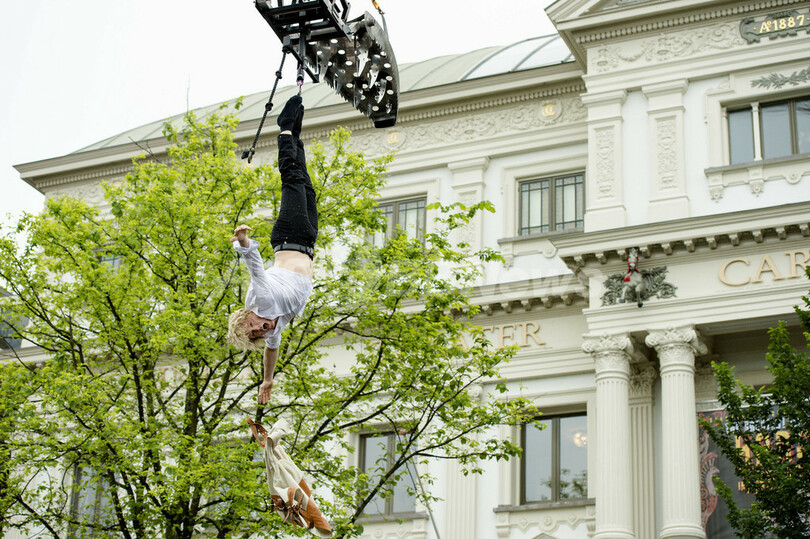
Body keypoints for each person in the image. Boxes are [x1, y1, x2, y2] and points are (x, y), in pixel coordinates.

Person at [227, 94, 318, 405]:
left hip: (290, 236)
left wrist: (243, 242)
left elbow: (255, 267)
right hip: (306, 242)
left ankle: (284, 130)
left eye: (252, 325)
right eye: (257, 333)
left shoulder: (262, 302)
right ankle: (296, 133)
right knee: (305, 184)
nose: (260, 328)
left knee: (292, 177)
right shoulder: (273, 329)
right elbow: (272, 350)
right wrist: (267, 380)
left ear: (249, 314)